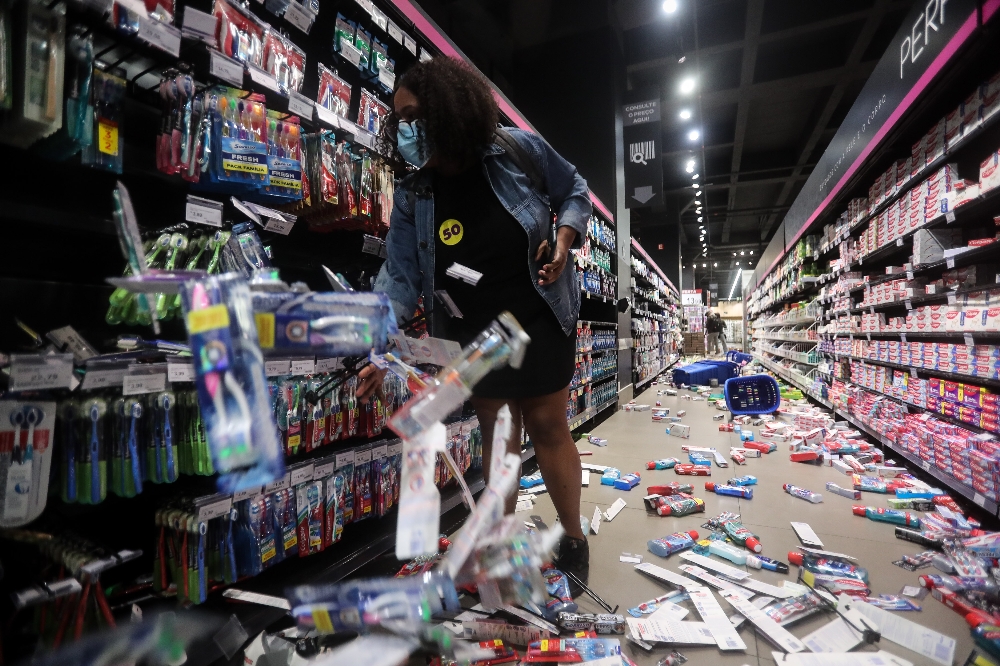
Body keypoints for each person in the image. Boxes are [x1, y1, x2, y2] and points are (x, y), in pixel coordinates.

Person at [355, 57, 593, 591]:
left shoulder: (516, 150)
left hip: (538, 311)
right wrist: (376, 350)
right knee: (498, 435)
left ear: (448, 110)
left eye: (415, 116)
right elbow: (399, 276)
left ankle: (574, 536)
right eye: (401, 121)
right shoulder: (415, 193)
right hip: (476, 331)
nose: (407, 131)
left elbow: (574, 190)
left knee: (550, 426)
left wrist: (563, 239)